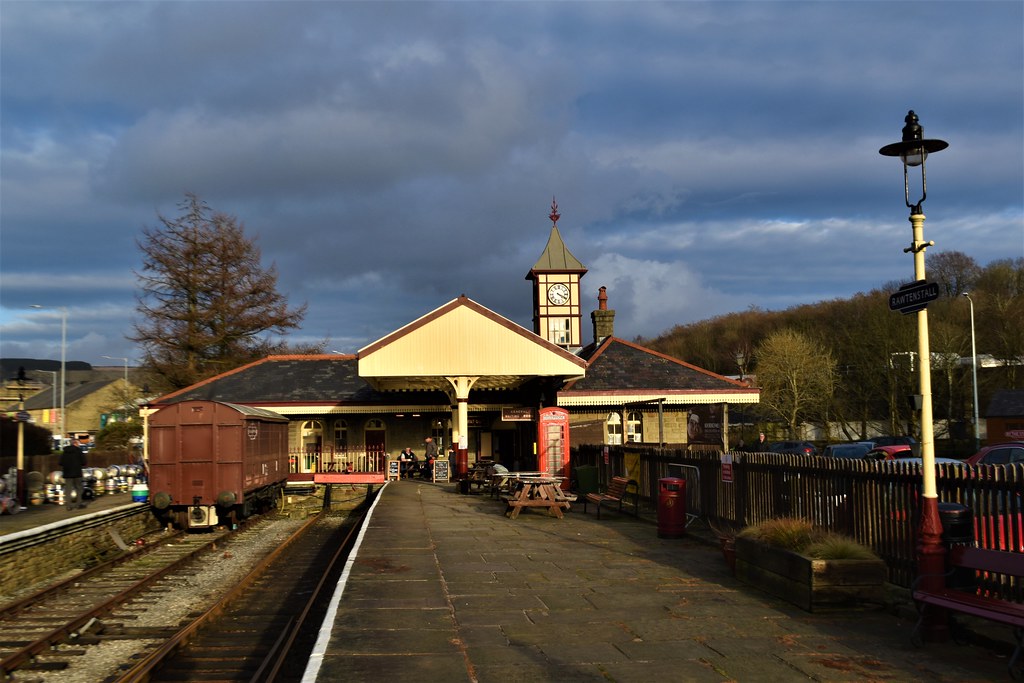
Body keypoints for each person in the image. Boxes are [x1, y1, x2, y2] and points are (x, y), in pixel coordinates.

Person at [60, 439, 87, 511]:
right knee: (79, 488)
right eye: (78, 443)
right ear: (75, 443)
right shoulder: (79, 451)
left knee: (68, 490)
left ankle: (68, 506)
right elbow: (84, 462)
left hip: (67, 473)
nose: (78, 444)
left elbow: (60, 462)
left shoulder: (65, 452)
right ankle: (78, 504)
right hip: (77, 473)